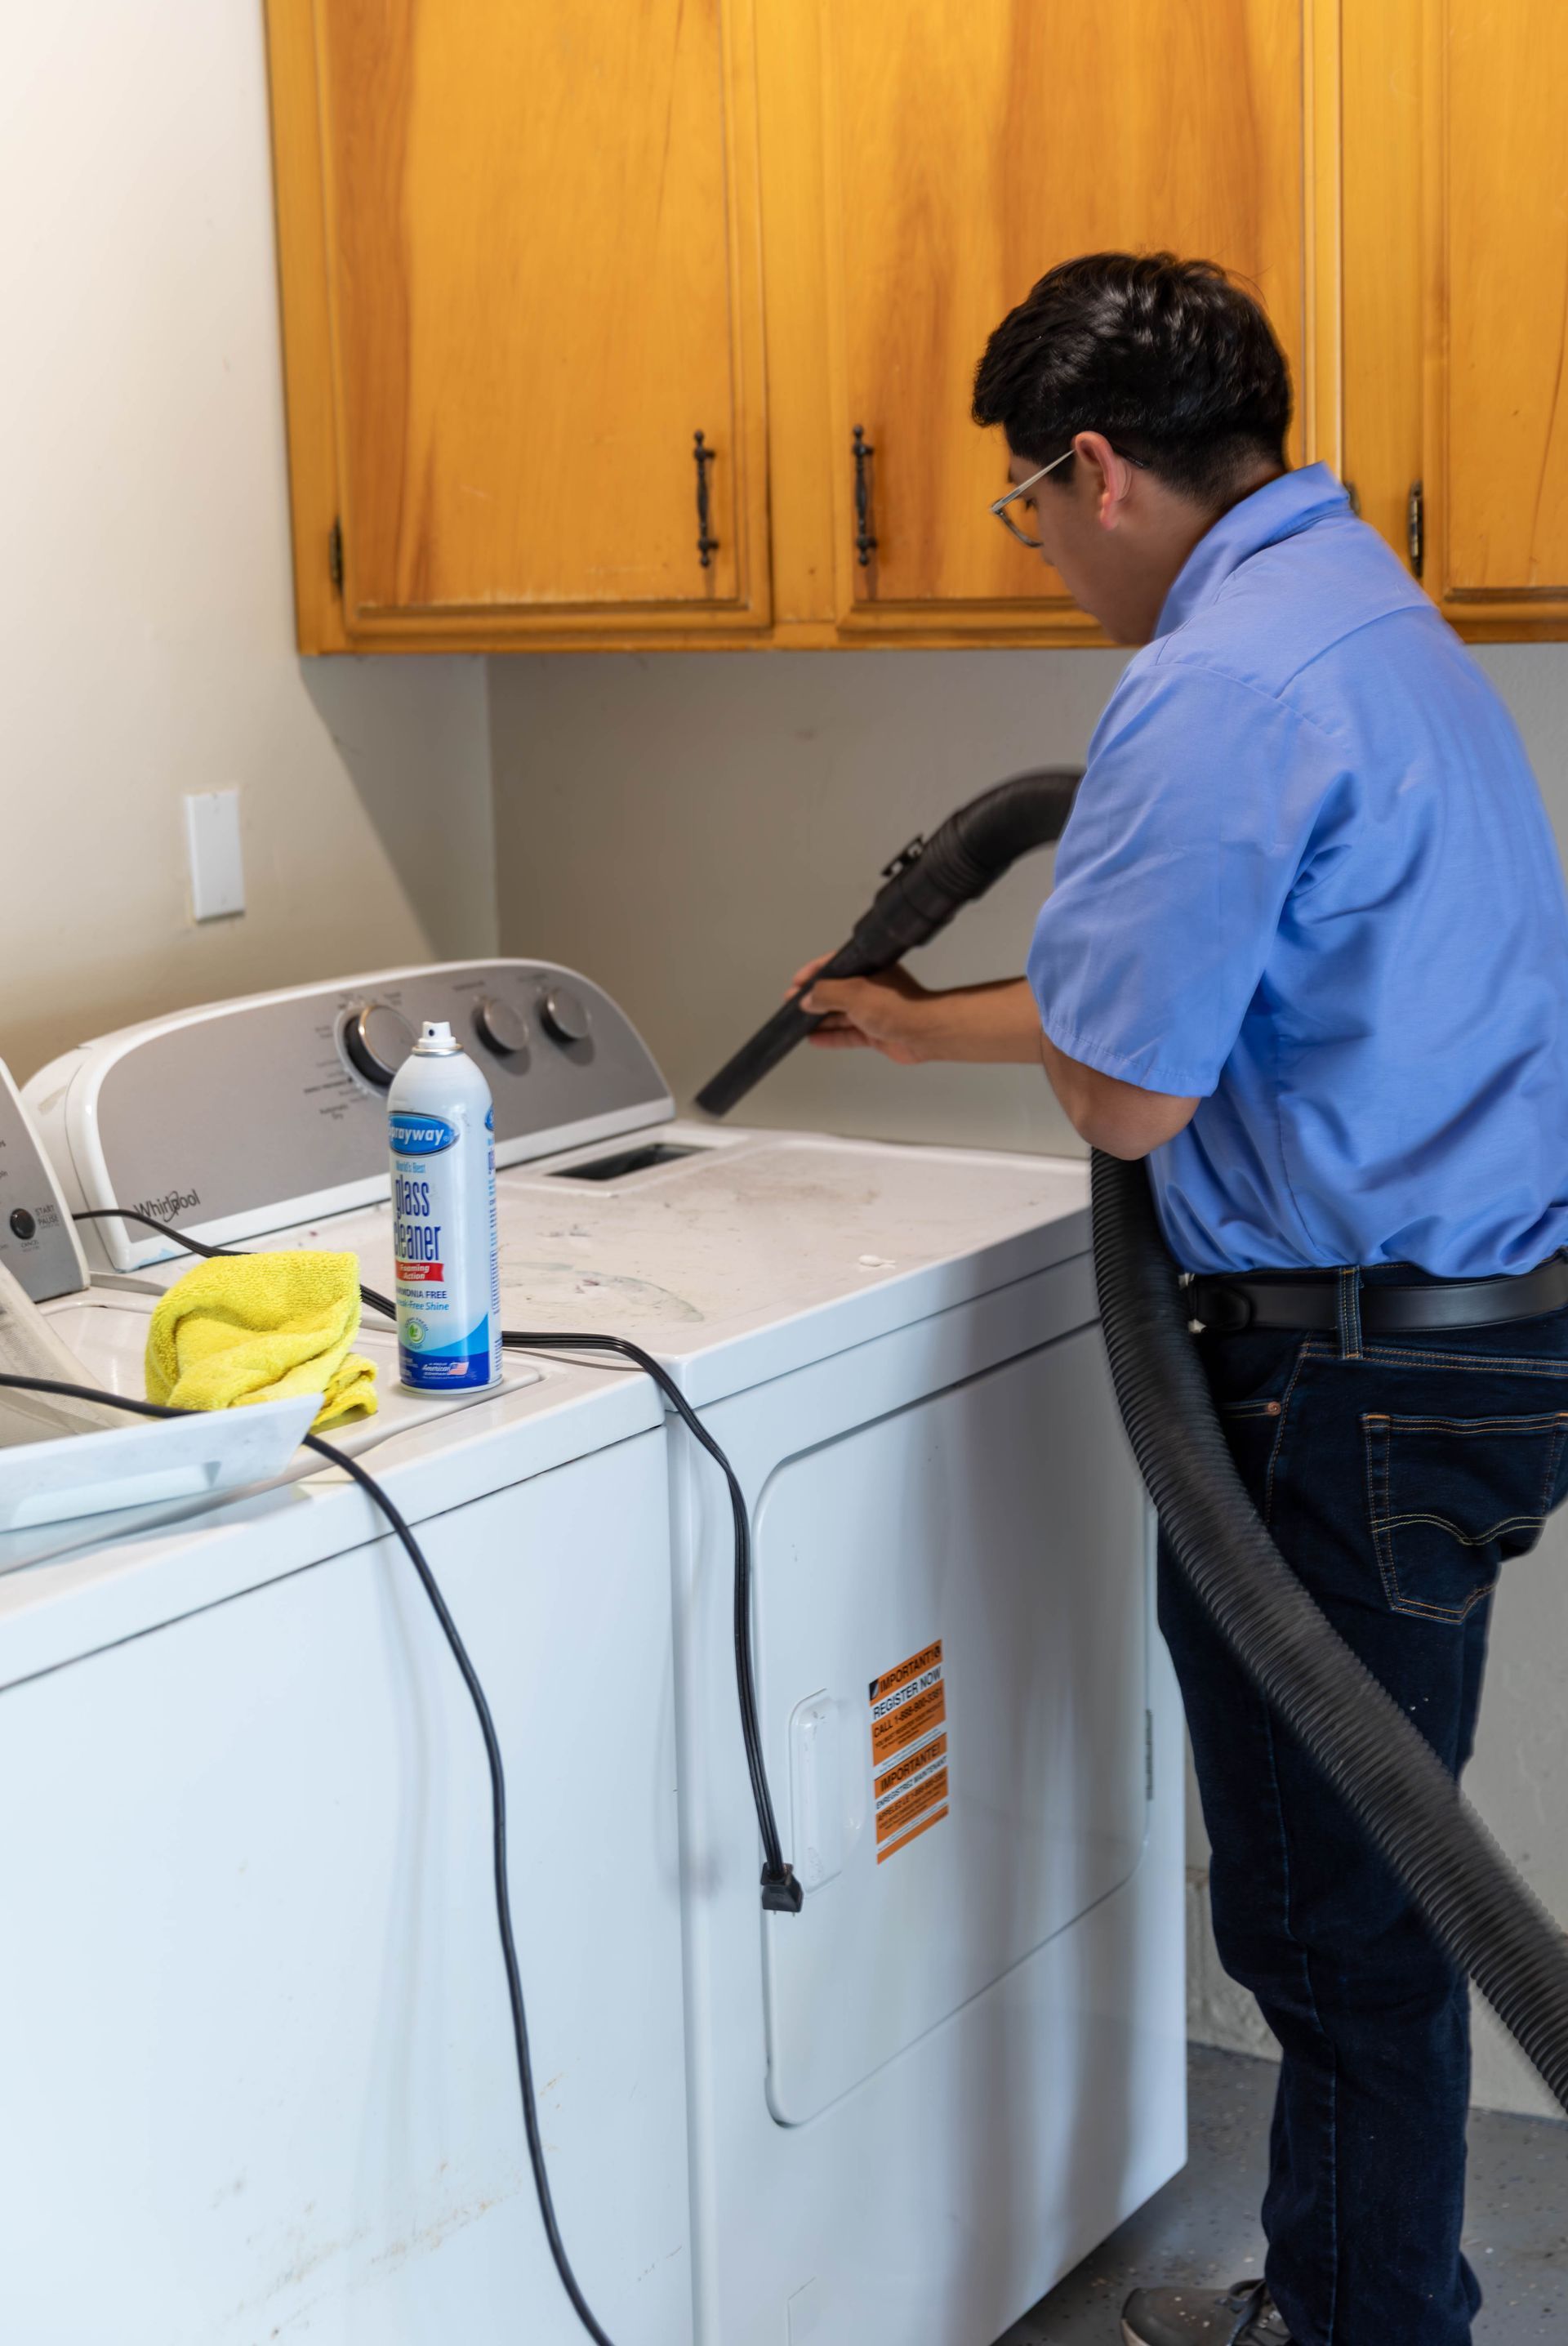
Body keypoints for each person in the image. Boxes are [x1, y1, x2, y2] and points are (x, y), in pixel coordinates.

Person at [793, 252, 1568, 2346]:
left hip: (1340, 1381)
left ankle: (1362, 2329)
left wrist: (989, 1034)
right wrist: (907, 1018)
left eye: (1027, 507)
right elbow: (1217, 1011)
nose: (1040, 553)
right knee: (1372, 1900)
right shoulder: (1367, 619)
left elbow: (1132, 1094)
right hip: (1464, 1341)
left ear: (1099, 467)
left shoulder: (1215, 686)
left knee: (1345, 1929)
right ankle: (1350, 2294)